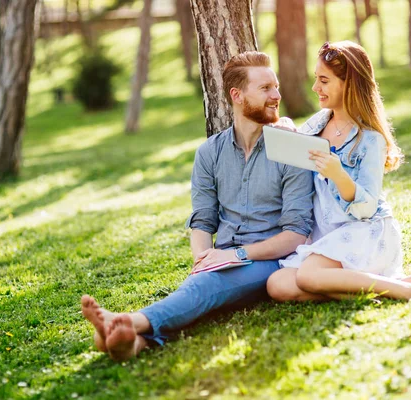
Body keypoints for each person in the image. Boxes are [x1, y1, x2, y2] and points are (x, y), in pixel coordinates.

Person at [81, 51, 315, 361]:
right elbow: (203, 222)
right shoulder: (209, 153)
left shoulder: (292, 148)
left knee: (204, 290)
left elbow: (296, 234)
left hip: (272, 261)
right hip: (223, 258)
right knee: (204, 291)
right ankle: (133, 344)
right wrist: (203, 260)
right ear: (237, 95)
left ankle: (129, 320)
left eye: (276, 86)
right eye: (265, 88)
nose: (276, 95)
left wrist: (235, 255)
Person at [266, 41, 411, 303]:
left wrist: (338, 174)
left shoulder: (369, 140)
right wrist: (285, 130)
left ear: (348, 83)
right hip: (328, 236)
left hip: (366, 232)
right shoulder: (316, 124)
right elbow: (294, 160)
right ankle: (380, 286)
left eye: (324, 80)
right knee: (278, 284)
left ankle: (407, 291)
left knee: (307, 276)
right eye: (316, 79)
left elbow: (366, 208)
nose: (315, 87)